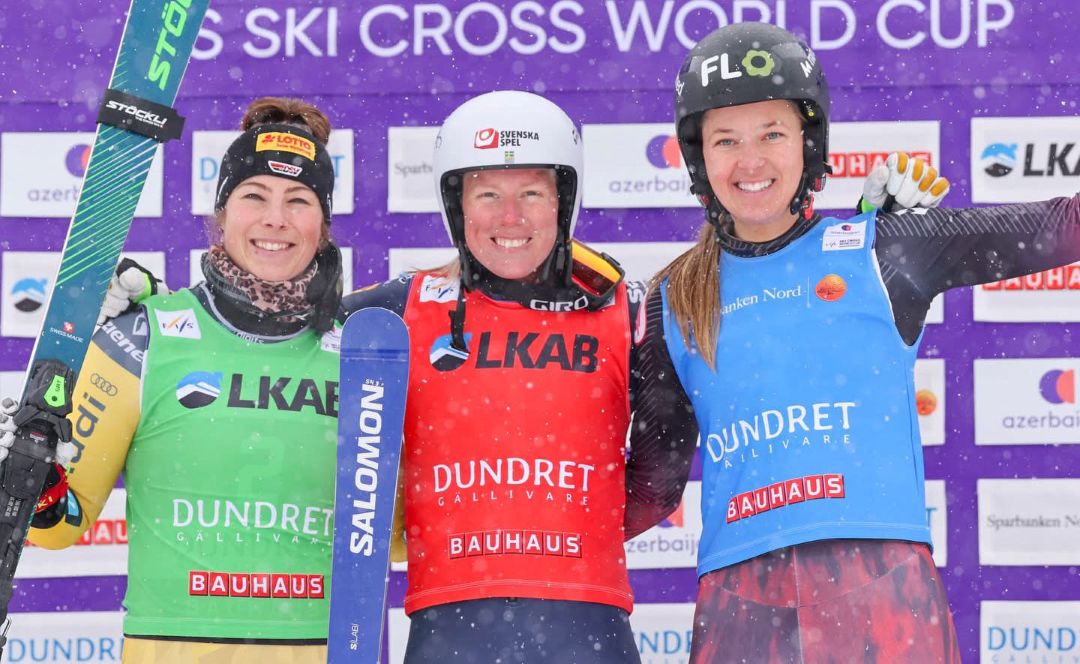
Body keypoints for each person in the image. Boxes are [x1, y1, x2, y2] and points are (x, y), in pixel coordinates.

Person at [636, 22, 1080, 662]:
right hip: (742, 604)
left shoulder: (884, 249)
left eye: (772, 134)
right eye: (726, 139)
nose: (751, 160)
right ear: (698, 156)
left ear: (809, 144)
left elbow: (1058, 225)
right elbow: (652, 486)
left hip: (882, 593)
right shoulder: (670, 299)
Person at [340, 90, 696, 664]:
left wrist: (575, 533)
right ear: (458, 206)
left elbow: (663, 475)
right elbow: (275, 328)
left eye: (532, 192)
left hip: (589, 627)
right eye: (488, 195)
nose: (511, 218)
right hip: (449, 627)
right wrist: (145, 298)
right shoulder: (395, 311)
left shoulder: (626, 310)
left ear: (564, 201)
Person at [1, 97, 343, 662]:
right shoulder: (143, 337)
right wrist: (31, 474)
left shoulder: (360, 353)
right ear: (222, 212)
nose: (275, 219)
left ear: (323, 226)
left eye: (298, 201)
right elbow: (56, 527)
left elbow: (396, 534)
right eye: (254, 196)